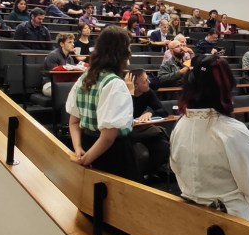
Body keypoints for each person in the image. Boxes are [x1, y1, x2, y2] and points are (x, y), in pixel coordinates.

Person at [170, 54, 249, 220]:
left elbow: (177, 170)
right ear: (226, 87)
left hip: (190, 215)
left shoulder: (180, 125)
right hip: (228, 218)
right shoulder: (233, 131)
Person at [66, 26, 138, 180]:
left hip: (87, 145)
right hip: (111, 154)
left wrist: (78, 149)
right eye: (128, 47)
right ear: (120, 52)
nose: (130, 52)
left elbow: (73, 122)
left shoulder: (84, 78)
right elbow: (108, 137)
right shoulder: (115, 84)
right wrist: (85, 160)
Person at [128, 69, 172, 178]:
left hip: (143, 131)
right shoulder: (124, 95)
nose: (149, 82)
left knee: (164, 147)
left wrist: (150, 112)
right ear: (135, 86)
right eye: (145, 81)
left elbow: (163, 111)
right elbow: (127, 113)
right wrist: (130, 94)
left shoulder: (148, 92)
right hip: (129, 134)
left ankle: (149, 173)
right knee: (141, 154)